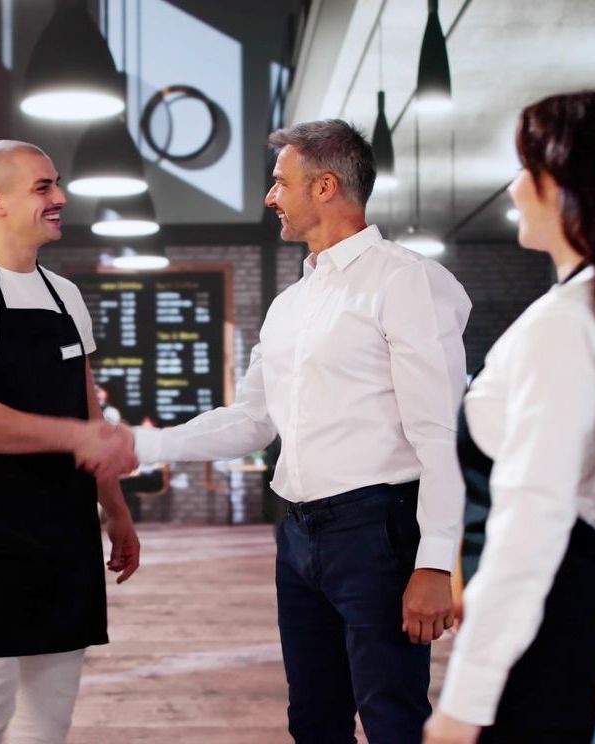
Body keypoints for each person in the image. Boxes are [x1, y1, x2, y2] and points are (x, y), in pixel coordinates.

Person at [128, 119, 470, 743]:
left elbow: (439, 431)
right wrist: (142, 444)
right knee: (313, 722)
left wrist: (434, 562)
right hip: (296, 533)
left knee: (393, 721)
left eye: (280, 181)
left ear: (325, 187)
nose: (270, 196)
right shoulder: (290, 305)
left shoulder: (407, 281)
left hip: (378, 532)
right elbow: (253, 420)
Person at [424, 91, 595, 744]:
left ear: (573, 188)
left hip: (556, 639)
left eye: (528, 168)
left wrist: (463, 703)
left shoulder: (564, 325)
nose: (515, 187)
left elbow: (532, 520)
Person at [0, 140, 141, 743]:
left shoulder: (66, 296)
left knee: (48, 722)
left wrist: (116, 510)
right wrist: (73, 435)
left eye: (56, 183)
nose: (60, 197)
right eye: (44, 187)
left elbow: (87, 410)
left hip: (64, 537)